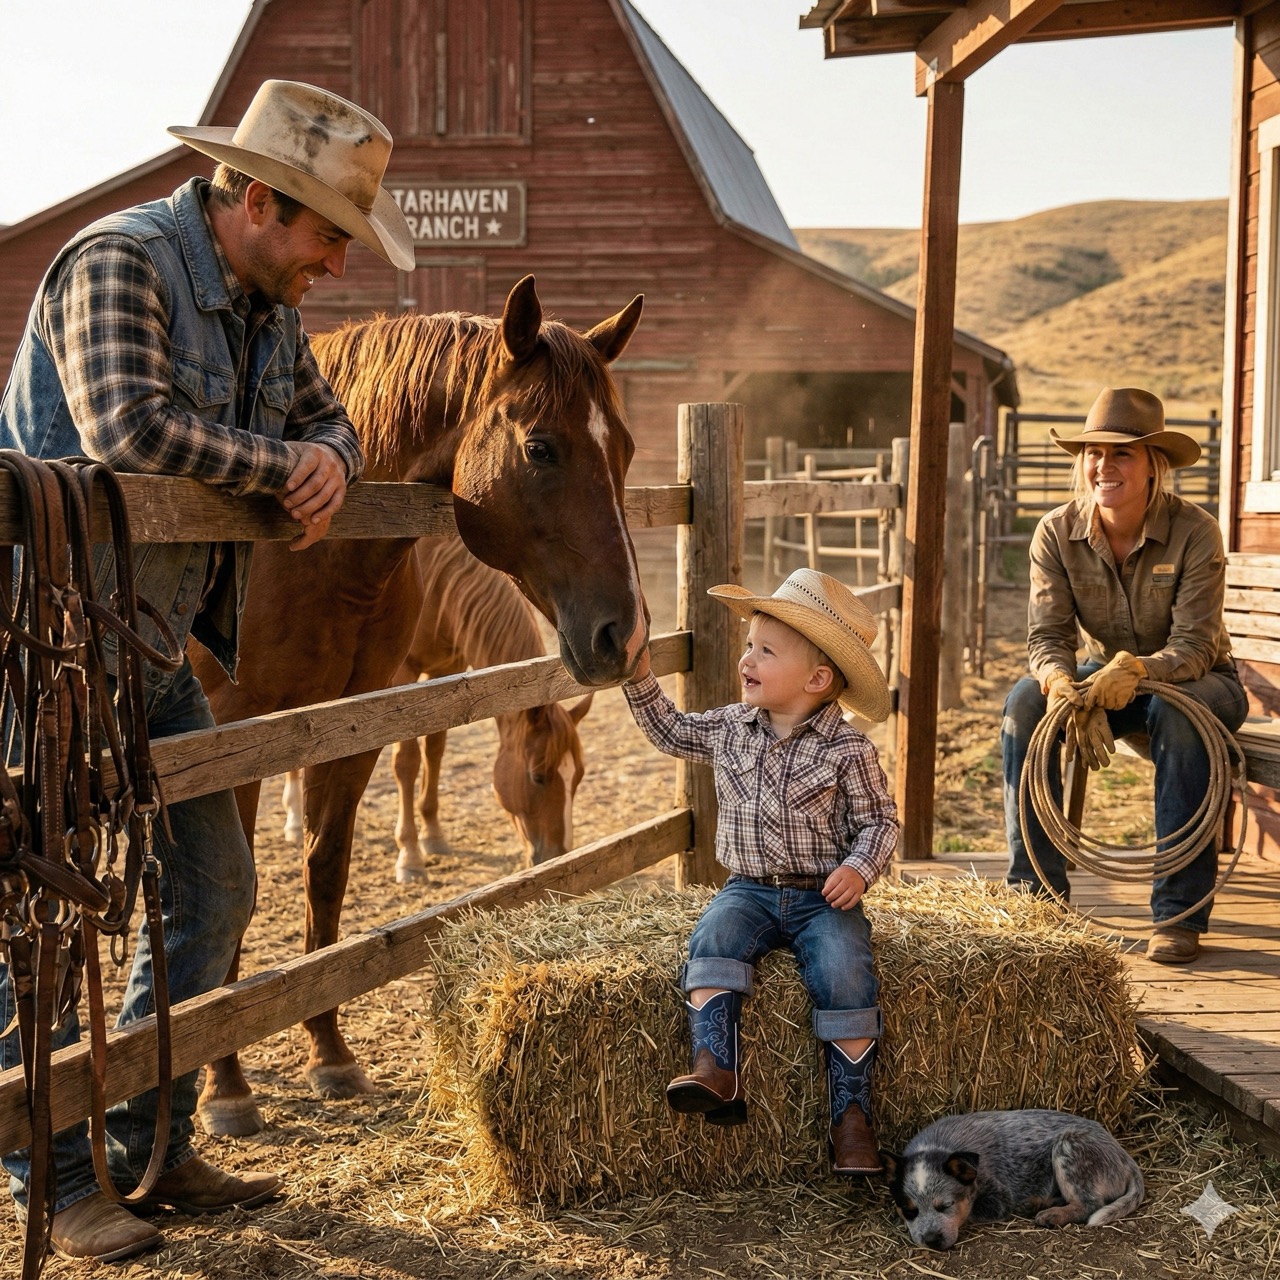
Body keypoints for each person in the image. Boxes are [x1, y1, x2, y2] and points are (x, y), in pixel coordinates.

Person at [0, 79, 414, 1262]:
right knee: (41, 917)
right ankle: (57, 1175)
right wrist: (284, 462)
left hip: (147, 640)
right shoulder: (119, 262)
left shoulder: (262, 301)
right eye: (328, 232)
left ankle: (149, 1138)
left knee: (215, 884)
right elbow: (126, 428)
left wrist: (325, 455)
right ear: (251, 197)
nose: (335, 262)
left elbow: (329, 415)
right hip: (41, 636)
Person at [623, 568, 898, 1174]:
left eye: (765, 651)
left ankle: (851, 1119)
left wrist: (858, 868)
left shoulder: (847, 750)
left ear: (818, 679)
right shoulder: (729, 728)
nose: (746, 659)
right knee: (712, 940)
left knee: (846, 972)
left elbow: (881, 821)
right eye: (749, 645)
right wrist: (638, 673)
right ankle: (715, 1068)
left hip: (824, 898)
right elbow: (669, 730)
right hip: (747, 889)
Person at [1001, 387, 1248, 966]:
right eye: (1092, 452)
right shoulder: (1057, 533)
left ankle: (1178, 914)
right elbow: (1049, 637)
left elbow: (1195, 644)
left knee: (1179, 715)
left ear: (1154, 464)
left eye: (1122, 454)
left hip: (1201, 680)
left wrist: (1138, 670)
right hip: (1105, 679)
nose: (1102, 466)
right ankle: (1037, 896)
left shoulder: (1195, 531)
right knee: (1022, 707)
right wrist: (1060, 682)